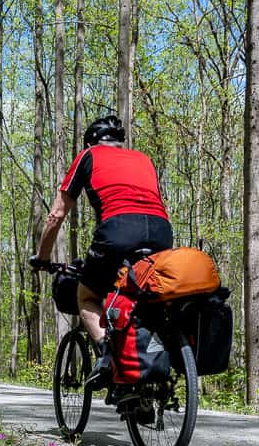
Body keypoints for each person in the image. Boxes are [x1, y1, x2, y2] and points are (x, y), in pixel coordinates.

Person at [30, 115, 173, 387]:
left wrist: (42, 257)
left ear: (90, 142)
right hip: (161, 231)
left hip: (118, 229)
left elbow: (56, 214)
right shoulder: (143, 159)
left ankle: (108, 356)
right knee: (137, 293)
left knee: (87, 295)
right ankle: (139, 380)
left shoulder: (88, 155)